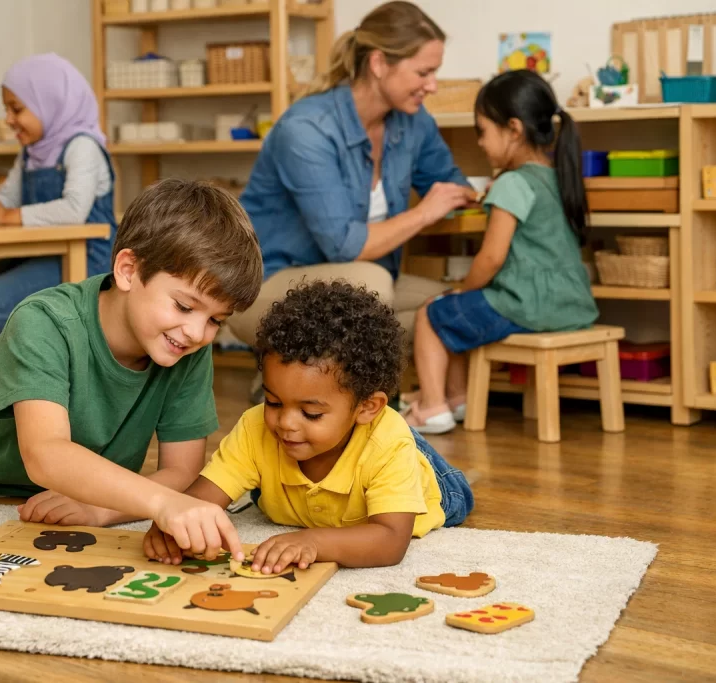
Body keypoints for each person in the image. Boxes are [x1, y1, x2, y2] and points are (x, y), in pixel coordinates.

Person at [0, 179, 263, 560]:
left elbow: (181, 470)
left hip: (82, 502)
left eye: (216, 320)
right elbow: (46, 454)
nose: (198, 332)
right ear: (128, 270)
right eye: (183, 306)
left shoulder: (187, 345)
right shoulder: (43, 320)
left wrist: (102, 509)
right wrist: (161, 503)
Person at [226, 1, 474, 399]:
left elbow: (448, 181)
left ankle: (289, 379)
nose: (433, 86)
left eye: (435, 73)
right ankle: (306, 387)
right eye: (424, 72)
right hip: (266, 285)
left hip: (359, 284)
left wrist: (487, 190)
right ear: (378, 64)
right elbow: (344, 245)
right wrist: (426, 212)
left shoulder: (413, 120)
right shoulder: (307, 130)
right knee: (371, 284)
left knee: (451, 306)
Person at [144, 280, 473, 572]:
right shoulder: (256, 428)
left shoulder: (387, 442)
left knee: (426, 466)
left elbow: (390, 541)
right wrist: (175, 521)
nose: (285, 423)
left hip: (434, 487)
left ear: (366, 407)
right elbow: (201, 498)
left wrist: (314, 542)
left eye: (311, 413)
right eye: (273, 402)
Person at [403, 69, 598, 434]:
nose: (479, 142)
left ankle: (432, 408)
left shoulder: (512, 183)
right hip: (571, 303)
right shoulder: (557, 176)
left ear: (513, 129)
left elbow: (491, 258)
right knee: (454, 315)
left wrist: (463, 286)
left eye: (482, 131)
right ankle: (457, 400)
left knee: (434, 313)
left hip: (528, 304)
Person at [0, 53, 118, 362]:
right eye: (7, 110)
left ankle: (53, 373)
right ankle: (1, 381)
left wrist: (6, 215)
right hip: (42, 251)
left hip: (88, 256)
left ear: (49, 102)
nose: (9, 119)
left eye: (17, 109)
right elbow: (7, 199)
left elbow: (74, 210)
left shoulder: (82, 146)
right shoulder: (31, 151)